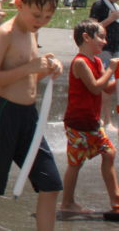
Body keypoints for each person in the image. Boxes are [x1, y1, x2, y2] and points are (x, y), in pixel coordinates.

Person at [0, 0, 62, 231]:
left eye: (48, 17)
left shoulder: (32, 31)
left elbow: (29, 76)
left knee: (51, 184)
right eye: (37, 15)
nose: (41, 21)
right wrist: (30, 67)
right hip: (3, 113)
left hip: (28, 117)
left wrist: (48, 69)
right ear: (19, 5)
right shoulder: (5, 34)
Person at [60, 19, 119, 216]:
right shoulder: (80, 62)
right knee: (76, 163)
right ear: (86, 37)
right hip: (78, 122)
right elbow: (94, 87)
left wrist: (116, 77)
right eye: (101, 37)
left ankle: (116, 202)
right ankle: (67, 203)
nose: (105, 41)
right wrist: (111, 69)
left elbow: (106, 89)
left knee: (109, 153)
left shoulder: (97, 61)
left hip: (92, 122)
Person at [89, 0, 119, 128]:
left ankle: (108, 118)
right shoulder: (99, 5)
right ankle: (105, 119)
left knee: (115, 84)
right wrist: (110, 19)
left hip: (115, 49)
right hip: (104, 50)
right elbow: (91, 29)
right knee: (106, 84)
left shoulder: (114, 6)